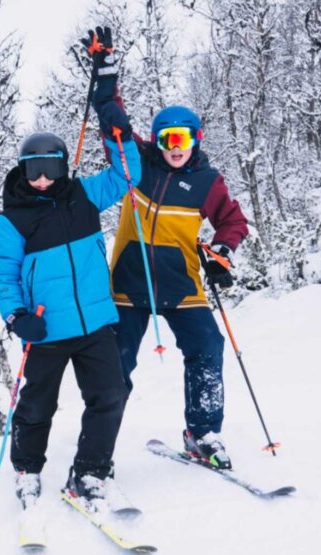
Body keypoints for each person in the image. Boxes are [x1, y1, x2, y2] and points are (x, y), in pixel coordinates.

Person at [0, 27, 139, 511]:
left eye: (51, 168)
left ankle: (90, 472)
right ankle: (27, 469)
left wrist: (108, 110)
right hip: (46, 325)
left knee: (110, 397)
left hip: (96, 321)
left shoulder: (83, 197)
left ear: (62, 167)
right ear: (21, 170)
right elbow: (2, 274)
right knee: (36, 407)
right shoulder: (12, 218)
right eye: (33, 169)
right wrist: (16, 317)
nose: (42, 179)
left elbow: (126, 172)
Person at [102, 42, 249, 470]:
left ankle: (203, 433)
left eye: (183, 138)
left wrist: (221, 254)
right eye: (167, 138)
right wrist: (106, 82)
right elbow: (115, 125)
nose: (175, 146)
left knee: (207, 346)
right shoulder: (139, 165)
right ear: (158, 140)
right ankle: (99, 444)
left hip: (182, 285)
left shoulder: (208, 182)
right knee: (114, 365)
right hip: (129, 285)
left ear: (196, 140)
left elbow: (233, 223)